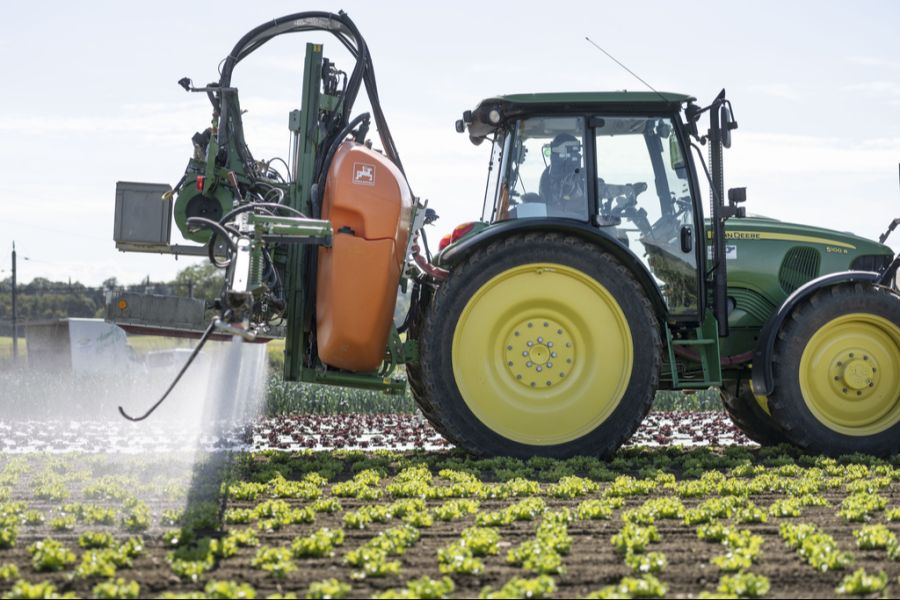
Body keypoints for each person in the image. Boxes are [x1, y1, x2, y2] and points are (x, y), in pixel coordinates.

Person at [538, 133, 587, 214]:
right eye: (573, 152)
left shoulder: (581, 175)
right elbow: (558, 206)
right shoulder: (550, 177)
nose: (577, 155)